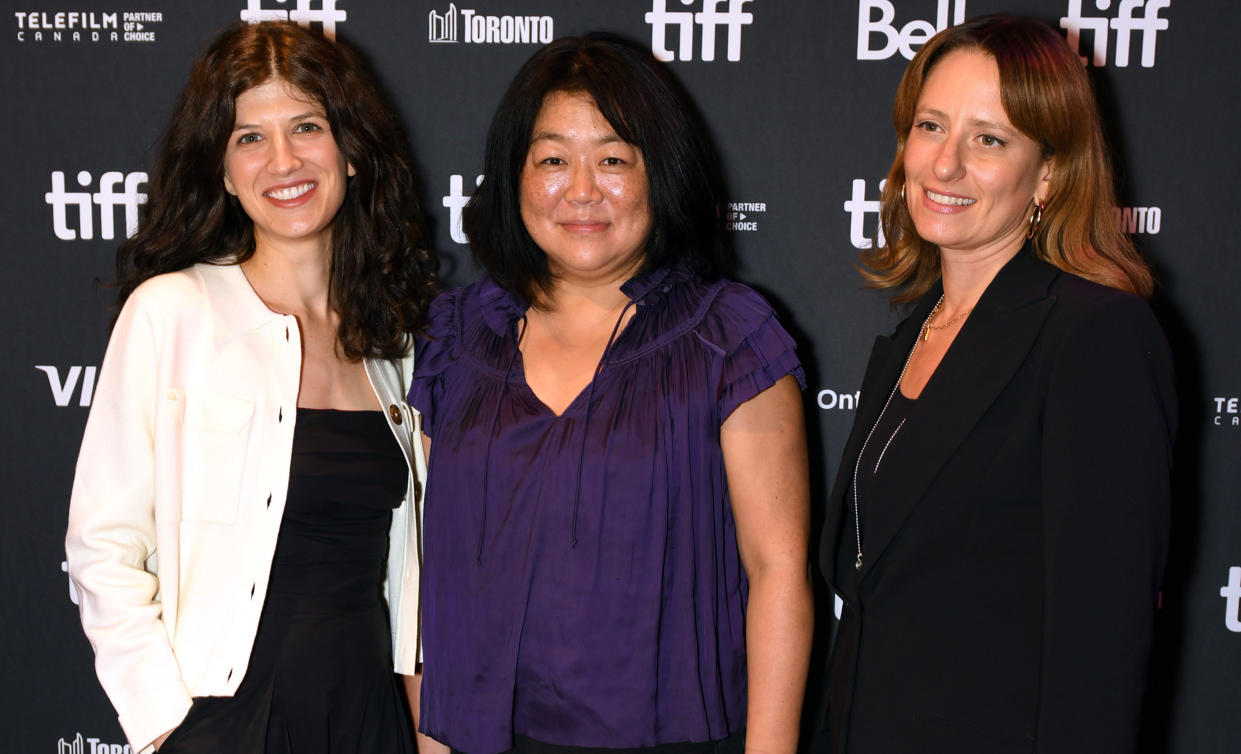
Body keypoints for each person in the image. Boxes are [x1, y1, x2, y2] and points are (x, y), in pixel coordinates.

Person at [410, 32, 813, 754]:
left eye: (614, 159)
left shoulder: (728, 335)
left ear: (662, 173)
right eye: (554, 160)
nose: (583, 190)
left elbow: (776, 571)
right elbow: (431, 570)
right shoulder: (455, 338)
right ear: (515, 177)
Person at [64, 21, 436, 754]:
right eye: (249, 138)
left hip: (370, 719)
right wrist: (169, 725)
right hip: (228, 724)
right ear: (222, 170)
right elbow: (102, 545)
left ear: (352, 151)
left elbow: (410, 577)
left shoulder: (394, 343)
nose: (284, 161)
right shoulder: (173, 313)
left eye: (306, 126)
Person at [816, 15, 1176, 754]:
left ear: (1047, 171)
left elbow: (1101, 648)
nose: (943, 165)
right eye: (930, 126)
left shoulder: (1092, 336)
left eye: (988, 139)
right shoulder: (911, 335)